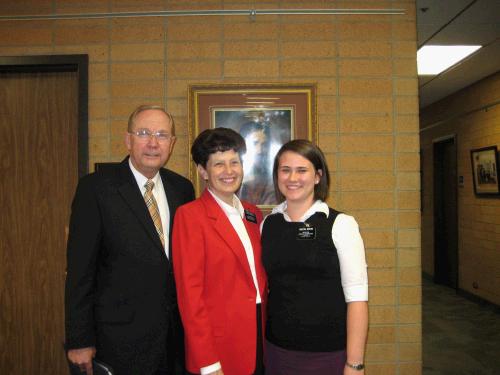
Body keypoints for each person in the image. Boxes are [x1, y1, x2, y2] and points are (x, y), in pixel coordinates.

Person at [65, 105, 195, 374]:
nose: (152, 142)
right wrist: (80, 340)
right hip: (118, 342)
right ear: (128, 140)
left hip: (174, 343)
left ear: (171, 144)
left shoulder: (182, 189)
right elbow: (80, 272)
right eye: (144, 132)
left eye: (161, 135)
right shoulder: (96, 189)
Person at [261, 140, 369, 375]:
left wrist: (355, 363)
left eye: (302, 170)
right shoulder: (268, 224)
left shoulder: (341, 225)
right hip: (276, 349)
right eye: (285, 170)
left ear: (318, 176)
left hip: (327, 353)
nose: (292, 178)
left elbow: (357, 299)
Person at [172, 127, 267, 375]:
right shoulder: (190, 216)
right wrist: (208, 362)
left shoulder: (252, 214)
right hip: (220, 347)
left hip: (259, 335)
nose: (229, 171)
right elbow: (190, 297)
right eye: (218, 164)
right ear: (203, 171)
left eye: (234, 162)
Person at [238, 121, 276, 206]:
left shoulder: (271, 181)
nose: (260, 150)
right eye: (255, 143)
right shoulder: (232, 176)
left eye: (264, 144)